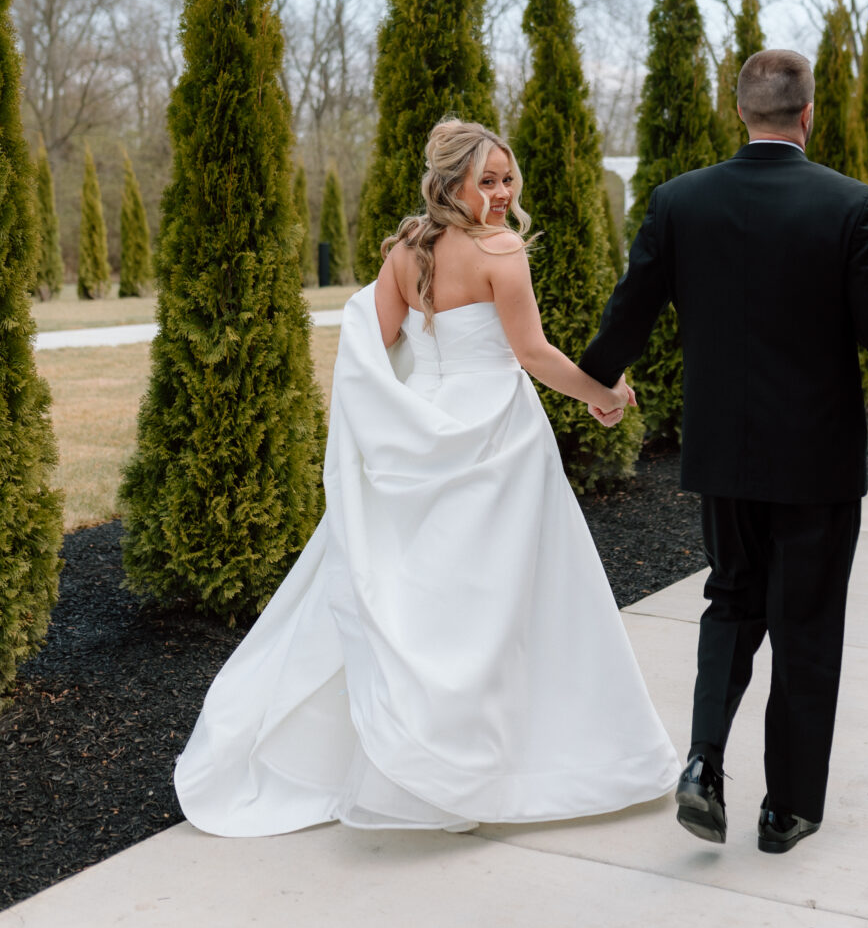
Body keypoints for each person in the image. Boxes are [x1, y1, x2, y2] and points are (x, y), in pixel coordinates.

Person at [174, 119, 678, 835]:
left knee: (422, 588)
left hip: (423, 430)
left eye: (508, 179)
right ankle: (488, 762)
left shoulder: (405, 252)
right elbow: (531, 353)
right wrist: (601, 392)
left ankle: (415, 753)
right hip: (496, 434)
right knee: (499, 596)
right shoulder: (501, 251)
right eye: (488, 180)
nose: (502, 194)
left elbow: (374, 349)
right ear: (452, 183)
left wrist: (392, 426)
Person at [579, 49, 868, 854]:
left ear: (738, 110)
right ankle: (787, 811)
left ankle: (704, 763)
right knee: (804, 622)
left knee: (731, 600)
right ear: (808, 114)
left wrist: (599, 385)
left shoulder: (678, 202)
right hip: (816, 459)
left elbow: (627, 313)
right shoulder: (848, 204)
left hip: (723, 454)